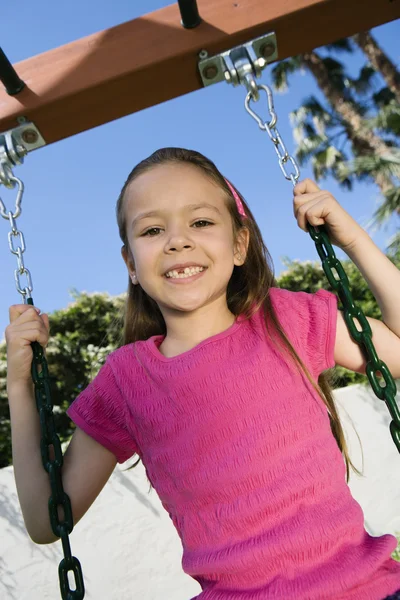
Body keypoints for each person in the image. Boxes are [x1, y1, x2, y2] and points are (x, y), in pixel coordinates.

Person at [6, 147, 400, 599]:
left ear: (239, 244)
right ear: (131, 265)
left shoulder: (285, 319)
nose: (178, 241)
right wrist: (20, 383)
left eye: (200, 222)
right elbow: (47, 519)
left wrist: (351, 239)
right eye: (153, 229)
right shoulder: (127, 381)